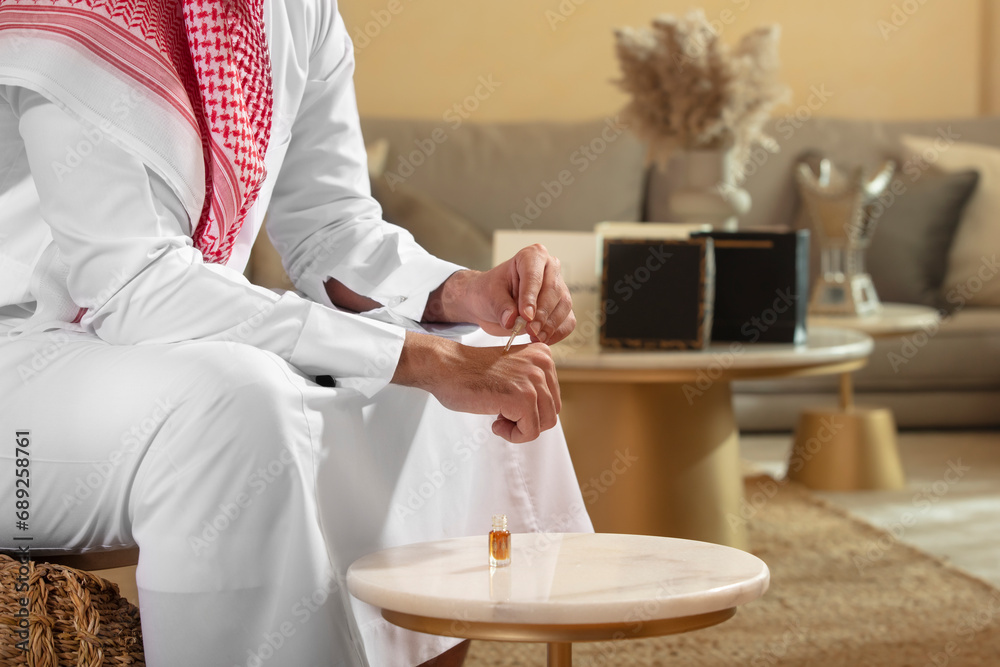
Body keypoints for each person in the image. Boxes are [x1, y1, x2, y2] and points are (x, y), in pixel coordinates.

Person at [0, 0, 592, 665]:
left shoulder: (298, 8)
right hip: (19, 372)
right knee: (240, 399)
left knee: (467, 357)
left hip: (158, 348)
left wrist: (463, 295)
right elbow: (136, 287)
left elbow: (330, 228)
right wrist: (428, 358)